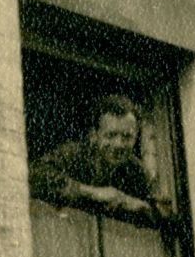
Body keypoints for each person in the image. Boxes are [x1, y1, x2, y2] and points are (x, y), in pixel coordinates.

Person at [28, 94, 160, 222]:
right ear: (94, 135)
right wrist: (91, 192)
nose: (118, 144)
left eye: (127, 137)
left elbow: (159, 214)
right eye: (110, 135)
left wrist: (140, 206)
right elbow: (34, 176)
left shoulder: (137, 172)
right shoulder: (73, 155)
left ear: (136, 137)